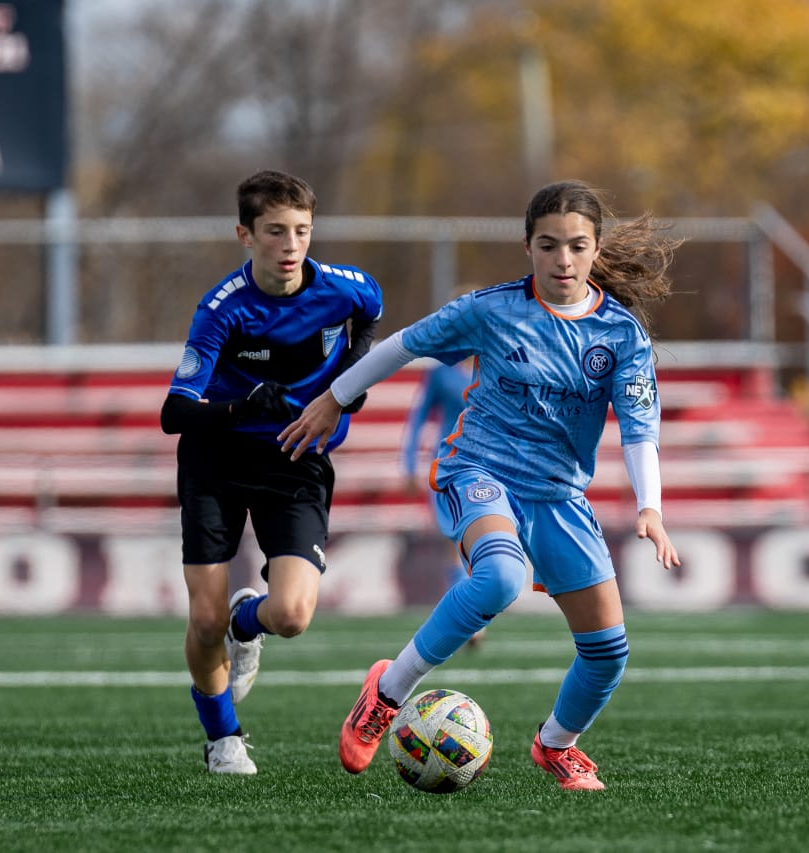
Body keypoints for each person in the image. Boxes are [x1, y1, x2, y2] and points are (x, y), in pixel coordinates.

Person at [280, 180, 681, 791]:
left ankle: (556, 746)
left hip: (559, 495)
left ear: (596, 248)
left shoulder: (622, 335)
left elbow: (638, 429)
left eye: (577, 246)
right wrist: (335, 399)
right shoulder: (492, 310)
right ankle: (386, 693)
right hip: (480, 470)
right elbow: (400, 346)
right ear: (528, 247)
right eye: (549, 245)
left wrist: (649, 507)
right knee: (498, 577)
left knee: (607, 654)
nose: (563, 260)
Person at [160, 169, 382, 775]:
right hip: (217, 458)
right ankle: (222, 737)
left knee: (290, 616)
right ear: (245, 234)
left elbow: (371, 316)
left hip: (295, 459)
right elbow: (173, 412)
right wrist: (241, 407)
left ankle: (246, 620)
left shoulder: (347, 287)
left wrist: (349, 381)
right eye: (276, 231)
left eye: (303, 231)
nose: (291, 245)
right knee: (202, 620)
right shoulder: (221, 309)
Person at [397, 291, 483, 643]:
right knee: (455, 537)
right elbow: (418, 417)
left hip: (488, 462)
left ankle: (473, 610)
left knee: (479, 538)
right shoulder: (440, 370)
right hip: (446, 464)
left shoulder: (498, 364)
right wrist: (408, 465)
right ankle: (472, 620)